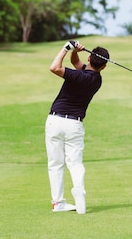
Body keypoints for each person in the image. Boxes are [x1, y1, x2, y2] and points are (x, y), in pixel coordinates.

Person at [45, 40, 109, 214]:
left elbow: (54, 67)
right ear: (103, 67)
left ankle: (58, 203)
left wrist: (66, 48)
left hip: (55, 121)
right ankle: (79, 189)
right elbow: (75, 63)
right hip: (74, 124)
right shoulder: (97, 80)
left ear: (89, 58)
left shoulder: (77, 76)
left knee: (56, 164)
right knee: (75, 163)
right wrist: (75, 52)